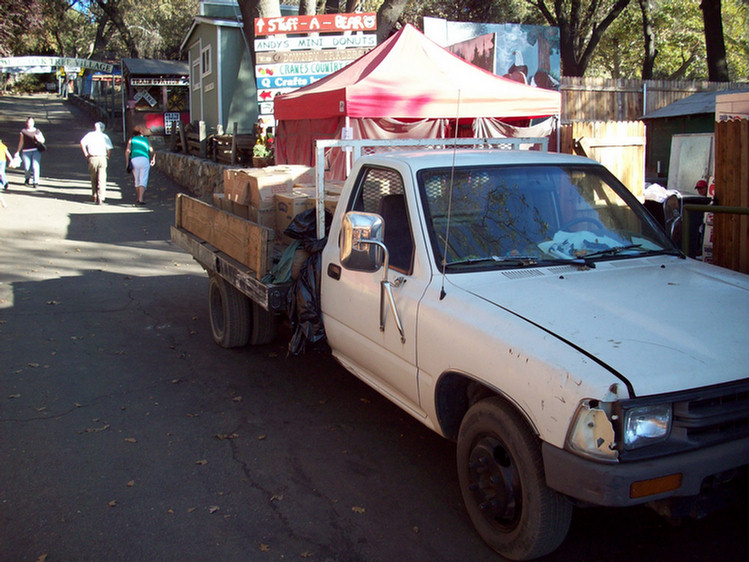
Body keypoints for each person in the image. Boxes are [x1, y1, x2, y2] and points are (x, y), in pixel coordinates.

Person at [80, 121, 114, 204]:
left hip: (92, 157)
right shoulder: (105, 136)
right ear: (103, 128)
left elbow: (82, 142)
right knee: (102, 178)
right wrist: (107, 157)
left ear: (95, 127)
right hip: (102, 157)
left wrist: (86, 154)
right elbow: (109, 149)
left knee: (93, 177)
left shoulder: (90, 135)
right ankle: (101, 197)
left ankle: (94, 194)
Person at [125, 126, 154, 205]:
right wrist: (153, 159)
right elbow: (152, 150)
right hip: (144, 159)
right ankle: (141, 198)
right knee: (143, 179)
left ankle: (139, 197)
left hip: (134, 160)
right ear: (141, 132)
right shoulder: (146, 140)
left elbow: (127, 151)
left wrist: (127, 162)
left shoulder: (132, 140)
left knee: (137, 179)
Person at [14, 117, 45, 188]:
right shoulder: (23, 131)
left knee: (35, 166)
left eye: (31, 122)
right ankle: (27, 178)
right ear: (26, 123)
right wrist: (18, 151)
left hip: (35, 150)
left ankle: (35, 182)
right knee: (27, 167)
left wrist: (38, 138)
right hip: (26, 151)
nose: (30, 124)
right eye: (28, 122)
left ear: (33, 123)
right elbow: (21, 142)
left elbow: (43, 140)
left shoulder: (37, 131)